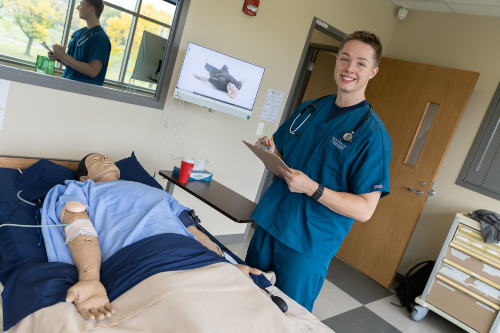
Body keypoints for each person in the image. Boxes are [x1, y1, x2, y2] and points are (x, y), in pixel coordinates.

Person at [245, 31, 392, 312]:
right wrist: (270, 151)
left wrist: (312, 188)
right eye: (345, 59)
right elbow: (283, 160)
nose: (350, 68)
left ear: (373, 72)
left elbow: (364, 210)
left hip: (308, 241)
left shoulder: (373, 135)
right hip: (271, 221)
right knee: (246, 292)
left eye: (361, 63)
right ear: (336, 62)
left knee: (289, 315)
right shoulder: (309, 108)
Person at [41, 153, 261, 321]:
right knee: (186, 316)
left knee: (248, 311)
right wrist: (89, 278)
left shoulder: (155, 191)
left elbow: (194, 231)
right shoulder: (80, 189)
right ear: (83, 176)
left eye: (106, 156)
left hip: (194, 255)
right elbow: (79, 228)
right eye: (96, 159)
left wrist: (226, 264)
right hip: (142, 260)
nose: (105, 158)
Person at [48, 0, 111, 86]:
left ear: (91, 9)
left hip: (83, 92)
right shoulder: (78, 33)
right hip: (66, 84)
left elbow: (93, 71)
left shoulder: (100, 39)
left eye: (81, 5)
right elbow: (73, 65)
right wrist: (59, 58)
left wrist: (64, 55)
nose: (77, 8)